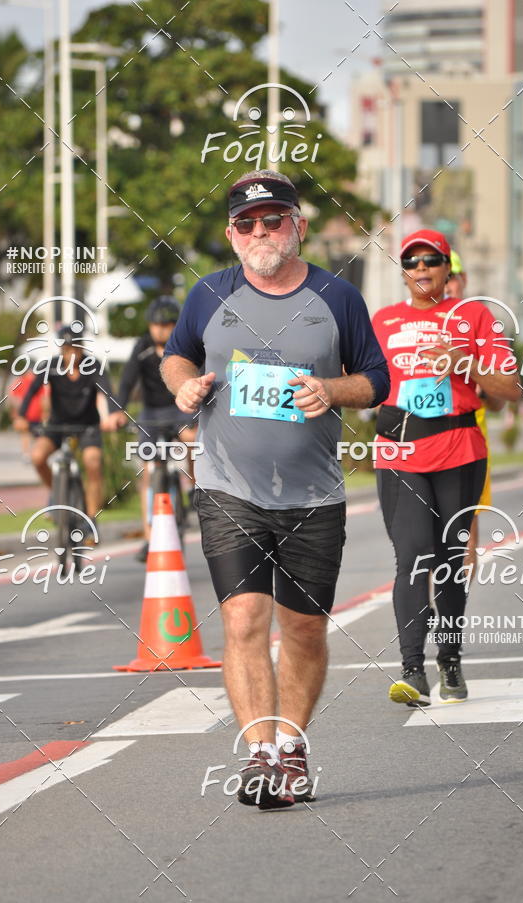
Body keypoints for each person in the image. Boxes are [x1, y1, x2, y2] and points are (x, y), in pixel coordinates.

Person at [161, 169, 389, 808]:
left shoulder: (338, 297)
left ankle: (292, 744)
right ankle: (260, 754)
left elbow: (376, 378)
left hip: (313, 493)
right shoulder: (208, 294)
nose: (260, 232)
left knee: (305, 630)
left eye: (273, 219)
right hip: (228, 485)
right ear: (231, 235)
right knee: (243, 619)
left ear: (298, 226)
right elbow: (177, 354)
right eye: (246, 223)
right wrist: (182, 383)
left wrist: (334, 390)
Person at [371, 229, 520, 706]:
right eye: (411, 262)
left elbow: (511, 389)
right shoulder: (384, 320)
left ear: (446, 268)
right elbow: (362, 381)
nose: (420, 270)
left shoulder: (473, 315)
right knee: (413, 556)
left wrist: (466, 364)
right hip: (399, 453)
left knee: (451, 563)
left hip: (459, 449)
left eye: (430, 261)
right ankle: (412, 671)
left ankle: (449, 659)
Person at [105, 296, 197, 562]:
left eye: (167, 324)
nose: (161, 330)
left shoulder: (185, 346)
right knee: (148, 470)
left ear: (175, 325)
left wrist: (196, 411)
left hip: (180, 408)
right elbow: (126, 381)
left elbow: (199, 376)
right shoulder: (142, 347)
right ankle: (148, 536)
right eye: (156, 325)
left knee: (192, 437)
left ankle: (193, 487)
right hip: (151, 413)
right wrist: (116, 412)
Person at [13, 325, 117, 533]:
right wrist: (22, 417)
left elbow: (108, 391)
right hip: (57, 425)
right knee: (37, 457)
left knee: (92, 462)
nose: (72, 354)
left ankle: (90, 518)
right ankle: (59, 495)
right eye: (67, 349)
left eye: (76, 349)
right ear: (61, 349)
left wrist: (113, 414)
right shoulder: (50, 366)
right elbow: (32, 391)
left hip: (87, 425)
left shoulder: (93, 365)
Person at [446, 250, 505, 578]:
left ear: (464, 279)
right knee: (426, 533)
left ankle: (456, 604)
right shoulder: (420, 321)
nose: (449, 284)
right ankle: (425, 612)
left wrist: (486, 383)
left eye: (454, 276)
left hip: (470, 438)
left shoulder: (478, 321)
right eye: (445, 276)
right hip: (425, 439)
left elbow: (501, 395)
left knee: (466, 522)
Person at [9, 370, 48, 461]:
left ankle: (28, 453)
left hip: (32, 413)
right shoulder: (34, 381)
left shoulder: (21, 381)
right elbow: (14, 397)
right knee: (28, 434)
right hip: (31, 413)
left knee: (28, 434)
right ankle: (29, 453)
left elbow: (14, 397)